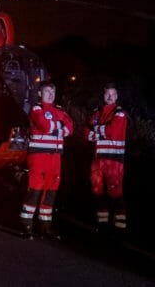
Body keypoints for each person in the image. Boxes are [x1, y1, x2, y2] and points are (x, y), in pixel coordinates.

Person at [19, 80, 73, 240]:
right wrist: (59, 127)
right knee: (34, 190)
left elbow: (70, 127)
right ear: (40, 93)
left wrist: (54, 127)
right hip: (38, 157)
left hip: (55, 158)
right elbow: (44, 125)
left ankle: (45, 227)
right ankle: (26, 225)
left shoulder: (59, 110)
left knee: (50, 191)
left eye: (53, 92)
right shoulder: (37, 109)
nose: (51, 95)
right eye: (47, 91)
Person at [84, 83, 128, 233]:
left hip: (114, 161)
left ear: (117, 96)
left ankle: (119, 229)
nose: (110, 97)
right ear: (103, 96)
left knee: (116, 193)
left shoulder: (119, 113)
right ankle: (102, 227)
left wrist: (96, 131)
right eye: (107, 94)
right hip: (98, 161)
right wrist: (100, 131)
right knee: (98, 192)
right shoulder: (97, 113)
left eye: (113, 94)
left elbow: (112, 131)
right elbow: (86, 133)